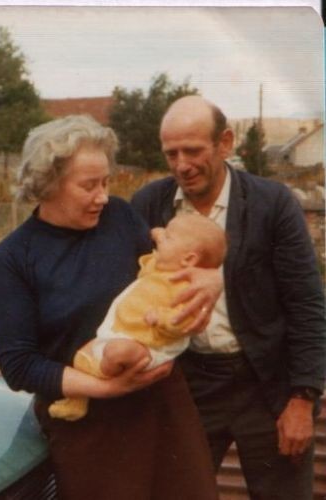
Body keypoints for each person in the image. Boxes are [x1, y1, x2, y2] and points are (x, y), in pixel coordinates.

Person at [0, 115, 220, 499]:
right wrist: (105, 387)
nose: (102, 196)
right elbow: (19, 365)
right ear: (48, 184)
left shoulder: (119, 216)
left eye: (106, 182)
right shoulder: (13, 257)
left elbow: (171, 271)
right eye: (88, 185)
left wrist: (213, 278)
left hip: (161, 406)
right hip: (87, 421)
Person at [131, 95, 326, 499]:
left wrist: (302, 400)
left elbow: (307, 304)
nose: (182, 164)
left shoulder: (272, 205)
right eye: (172, 153)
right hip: (188, 385)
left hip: (266, 385)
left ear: (225, 143)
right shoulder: (150, 205)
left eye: (193, 150)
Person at [49, 213, 227, 421]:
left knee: (119, 352)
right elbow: (159, 242)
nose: (160, 240)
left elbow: (185, 320)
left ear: (188, 259)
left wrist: (161, 318)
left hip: (150, 345)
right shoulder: (160, 267)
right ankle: (78, 401)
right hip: (122, 331)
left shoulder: (186, 287)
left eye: (168, 238)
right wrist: (162, 234)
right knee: (81, 355)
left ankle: (105, 377)